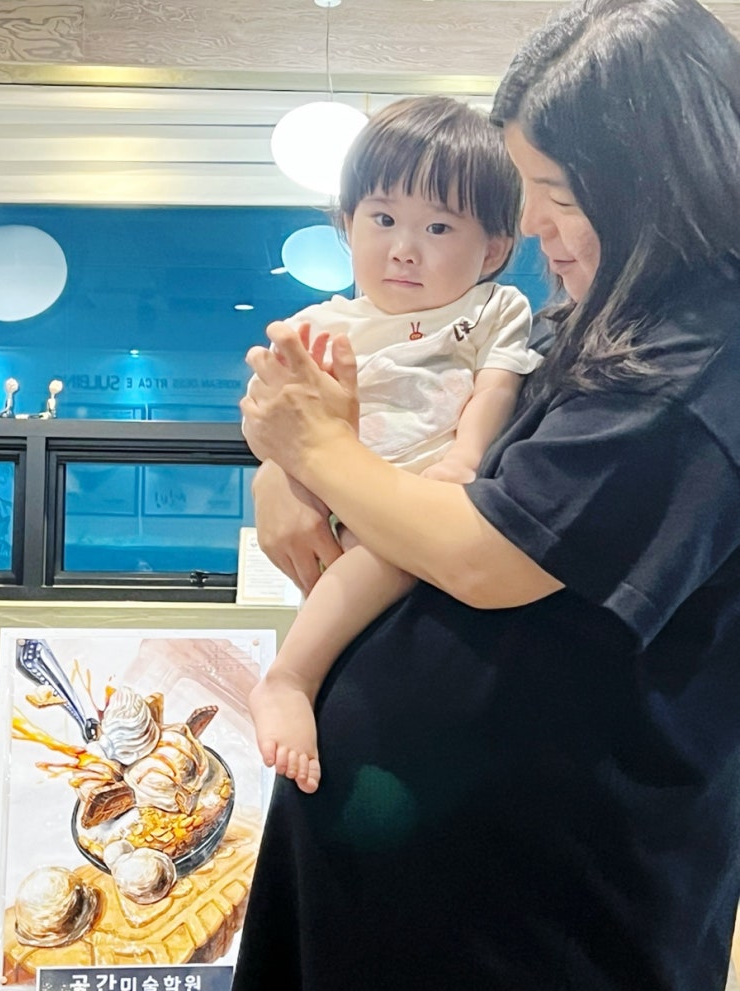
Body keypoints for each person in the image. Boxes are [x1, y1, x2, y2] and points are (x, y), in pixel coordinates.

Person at [234, 0, 740, 987]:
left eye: (557, 192)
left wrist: (317, 452)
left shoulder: (699, 359)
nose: (536, 225)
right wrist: (282, 472)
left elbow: (487, 553)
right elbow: (390, 450)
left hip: (540, 912)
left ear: (653, 180)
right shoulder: (596, 327)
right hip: (429, 883)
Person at [248, 95, 541, 794]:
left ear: (494, 249)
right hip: (348, 502)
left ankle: (295, 675)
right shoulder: (321, 324)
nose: (404, 248)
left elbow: (496, 387)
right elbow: (274, 423)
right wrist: (279, 475)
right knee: (368, 561)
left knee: (386, 558)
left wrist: (465, 456)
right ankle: (289, 679)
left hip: (428, 500)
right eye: (381, 219)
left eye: (438, 226)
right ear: (347, 225)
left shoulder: (493, 309)